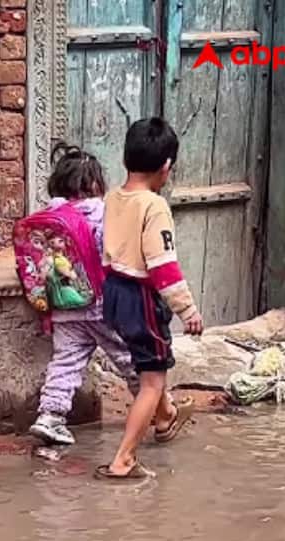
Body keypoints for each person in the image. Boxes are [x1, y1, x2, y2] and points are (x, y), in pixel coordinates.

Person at [96, 117, 203, 480]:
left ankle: (166, 417)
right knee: (152, 381)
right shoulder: (154, 206)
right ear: (166, 167)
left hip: (112, 292)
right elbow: (162, 267)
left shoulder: (113, 196)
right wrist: (188, 309)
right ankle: (124, 458)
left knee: (147, 365)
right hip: (140, 295)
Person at [27, 144, 141, 446]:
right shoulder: (104, 213)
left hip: (63, 307)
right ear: (94, 184)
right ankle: (151, 405)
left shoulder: (49, 217)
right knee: (128, 356)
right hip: (101, 305)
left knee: (65, 362)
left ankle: (50, 417)